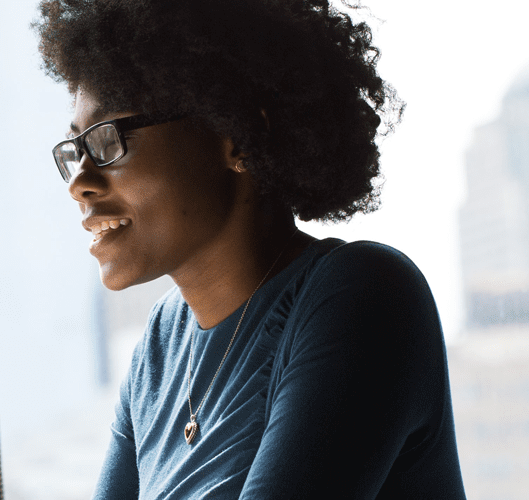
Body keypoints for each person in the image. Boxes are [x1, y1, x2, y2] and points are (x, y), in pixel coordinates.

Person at [34, 0, 465, 497]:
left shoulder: (361, 295)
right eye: (75, 151)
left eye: (108, 140)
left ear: (236, 135)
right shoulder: (158, 350)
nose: (79, 183)